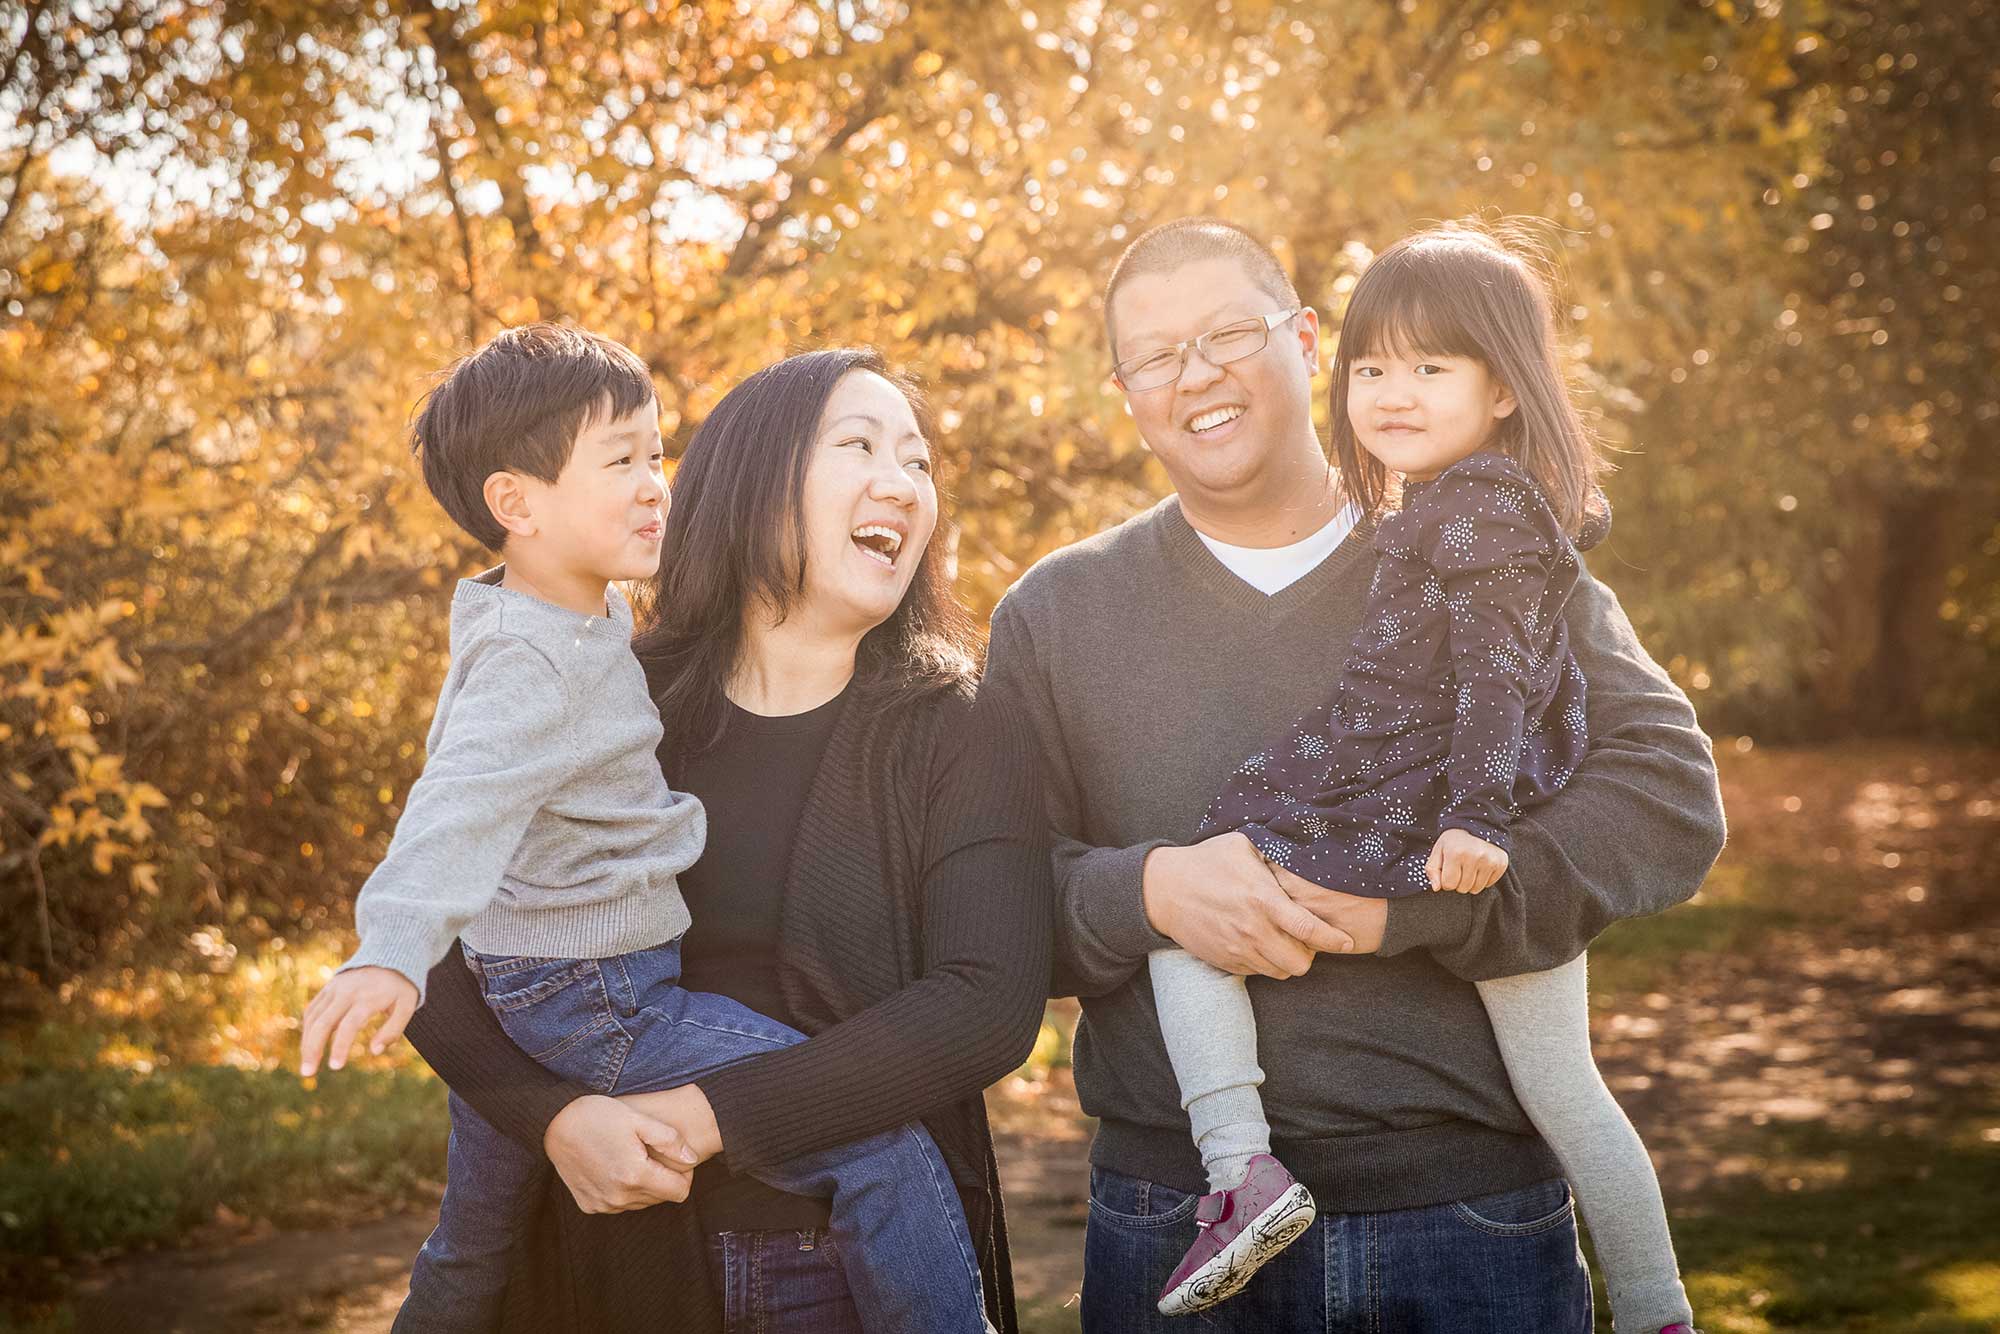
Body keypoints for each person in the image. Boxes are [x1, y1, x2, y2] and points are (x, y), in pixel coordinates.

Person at [981, 217, 1728, 1332]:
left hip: (1466, 1218)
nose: (1195, 376)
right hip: (1172, 1216)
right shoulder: (1056, 612)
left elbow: (1667, 798)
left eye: (1228, 333)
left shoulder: (1481, 548)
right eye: (1153, 355)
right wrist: (1149, 892)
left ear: (1304, 338)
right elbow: (986, 907)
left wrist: (1421, 911)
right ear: (1123, 388)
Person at [296, 328, 1002, 1333]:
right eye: (620, 459)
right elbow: (456, 813)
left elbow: (984, 1003)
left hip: (554, 996)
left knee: (469, 1243)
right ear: (517, 503)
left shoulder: (577, 633)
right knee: (881, 1149)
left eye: (657, 457)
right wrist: (398, 955)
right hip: (601, 1004)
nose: (653, 486)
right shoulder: (561, 665)